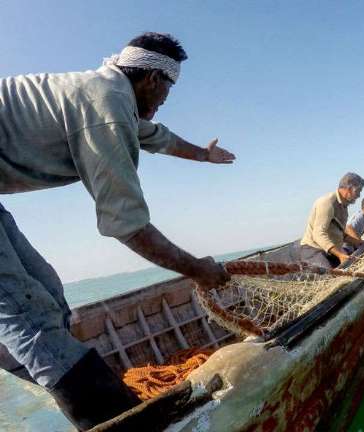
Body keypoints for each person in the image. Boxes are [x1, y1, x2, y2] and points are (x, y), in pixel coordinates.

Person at [0, 32, 234, 430]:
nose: (165, 101)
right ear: (152, 79)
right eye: (168, 89)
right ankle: (122, 423)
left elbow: (157, 137)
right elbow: (125, 223)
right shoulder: (105, 106)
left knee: (47, 292)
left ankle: (57, 385)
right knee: (27, 314)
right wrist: (197, 269)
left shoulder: (111, 94)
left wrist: (204, 156)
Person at [299, 173, 364, 269]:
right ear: (348, 189)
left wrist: (358, 242)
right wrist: (340, 255)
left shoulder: (344, 206)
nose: (359, 195)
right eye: (358, 191)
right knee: (329, 276)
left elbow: (341, 234)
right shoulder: (327, 203)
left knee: (354, 267)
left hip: (331, 250)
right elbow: (318, 234)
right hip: (313, 250)